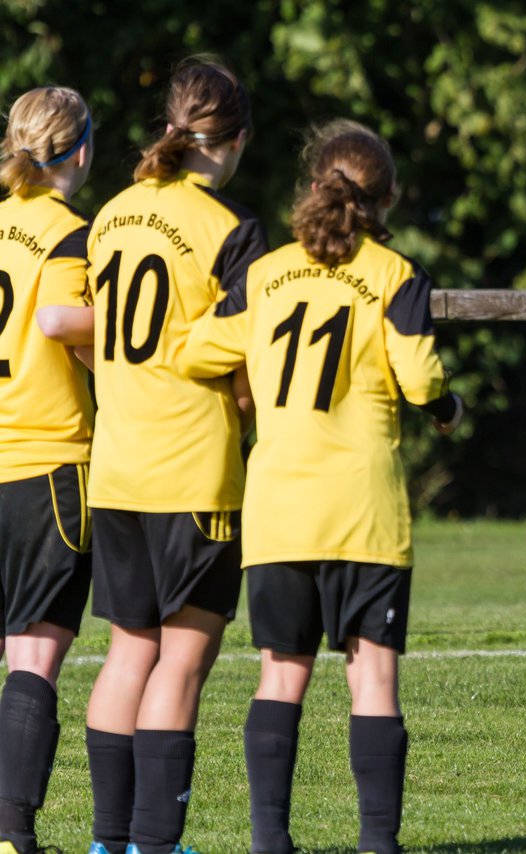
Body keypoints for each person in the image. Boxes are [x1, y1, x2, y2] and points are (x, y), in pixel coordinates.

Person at [179, 120, 462, 854]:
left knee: (280, 678)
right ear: (387, 198)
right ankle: (377, 844)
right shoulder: (395, 275)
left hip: (278, 506)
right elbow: (423, 377)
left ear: (314, 186)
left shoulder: (265, 273)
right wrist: (446, 408)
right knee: (372, 679)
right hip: (363, 508)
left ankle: (270, 842)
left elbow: (198, 352)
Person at [83, 57, 267, 854]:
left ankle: (105, 841)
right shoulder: (231, 227)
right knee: (182, 662)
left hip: (116, 463)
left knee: (129, 651)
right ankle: (155, 844)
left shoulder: (111, 213)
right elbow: (247, 358)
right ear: (234, 139)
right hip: (193, 468)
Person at [0, 85, 95, 854]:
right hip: (45, 465)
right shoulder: (67, 234)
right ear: (81, 149)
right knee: (33, 655)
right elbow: (70, 330)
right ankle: (11, 835)